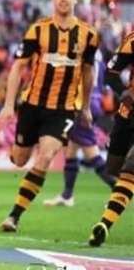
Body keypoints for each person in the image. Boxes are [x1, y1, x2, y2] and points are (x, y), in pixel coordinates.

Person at [0, 0, 99, 232]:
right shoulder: (37, 30)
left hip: (63, 109)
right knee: (20, 160)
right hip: (32, 105)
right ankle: (18, 150)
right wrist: (9, 105)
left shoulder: (88, 35)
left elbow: (88, 71)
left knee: (45, 157)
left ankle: (14, 216)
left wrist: (85, 106)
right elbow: (18, 67)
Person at [43, 48, 116, 208]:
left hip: (82, 104)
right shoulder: (98, 54)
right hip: (94, 101)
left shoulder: (80, 50)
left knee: (91, 152)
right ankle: (67, 195)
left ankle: (120, 192)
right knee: (71, 149)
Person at [88, 32, 134, 247]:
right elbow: (111, 73)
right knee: (114, 168)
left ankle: (104, 224)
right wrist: (124, 91)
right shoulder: (132, 41)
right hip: (128, 115)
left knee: (129, 170)